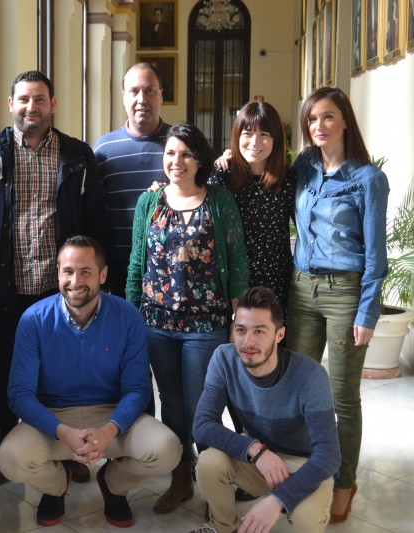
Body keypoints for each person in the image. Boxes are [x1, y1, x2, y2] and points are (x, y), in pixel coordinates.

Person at [0, 70, 109, 485]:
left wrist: (96, 280)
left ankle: (64, 454)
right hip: (7, 288)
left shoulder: (78, 155)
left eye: (41, 99)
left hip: (60, 291)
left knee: (60, 376)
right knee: (6, 373)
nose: (33, 107)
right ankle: (8, 452)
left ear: (53, 104)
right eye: (24, 99)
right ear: (11, 104)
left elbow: (95, 221)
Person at [0, 236, 181, 528]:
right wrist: (63, 432)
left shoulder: (128, 317)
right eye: (68, 271)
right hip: (55, 419)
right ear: (57, 273)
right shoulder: (33, 319)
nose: (75, 280)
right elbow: (20, 395)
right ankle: (56, 486)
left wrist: (109, 431)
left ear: (103, 275)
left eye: (85, 271)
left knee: (168, 449)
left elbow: (137, 389)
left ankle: (113, 484)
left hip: (112, 416)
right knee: (9, 460)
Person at [126, 123, 249, 514]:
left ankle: (215, 483)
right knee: (172, 406)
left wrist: (237, 319)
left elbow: (238, 262)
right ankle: (181, 479)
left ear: (200, 160)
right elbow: (135, 265)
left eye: (185, 154)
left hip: (205, 324)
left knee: (202, 407)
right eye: (170, 154)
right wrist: (131, 318)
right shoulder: (150, 202)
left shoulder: (219, 200)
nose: (176, 162)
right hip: (156, 323)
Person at [288, 86, 389, 523]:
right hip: (301, 289)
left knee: (342, 396)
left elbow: (376, 255)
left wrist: (368, 312)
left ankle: (345, 480)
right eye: (312, 119)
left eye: (328, 117)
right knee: (296, 385)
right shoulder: (305, 168)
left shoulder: (368, 179)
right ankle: (304, 467)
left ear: (345, 120)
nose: (319, 126)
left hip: (345, 294)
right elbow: (262, 176)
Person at [190, 287, 341, 533]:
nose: (248, 341)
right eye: (241, 330)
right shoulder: (224, 359)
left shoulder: (311, 376)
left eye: (259, 331)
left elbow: (329, 456)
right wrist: (255, 450)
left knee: (306, 520)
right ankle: (222, 526)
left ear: (279, 334)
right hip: (259, 455)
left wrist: (278, 499)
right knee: (208, 462)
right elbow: (203, 426)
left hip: (304, 463)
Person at [210, 101, 295, 326]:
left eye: (264, 134)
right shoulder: (223, 177)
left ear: (276, 139)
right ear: (237, 136)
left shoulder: (288, 181)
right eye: (248, 133)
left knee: (271, 348)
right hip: (233, 281)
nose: (255, 142)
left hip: (275, 281)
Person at [93, 62, 170, 298]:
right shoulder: (103, 149)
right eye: (134, 91)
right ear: (124, 97)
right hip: (117, 273)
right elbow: (95, 214)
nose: (141, 98)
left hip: (172, 272)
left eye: (150, 90)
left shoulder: (180, 146)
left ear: (161, 96)